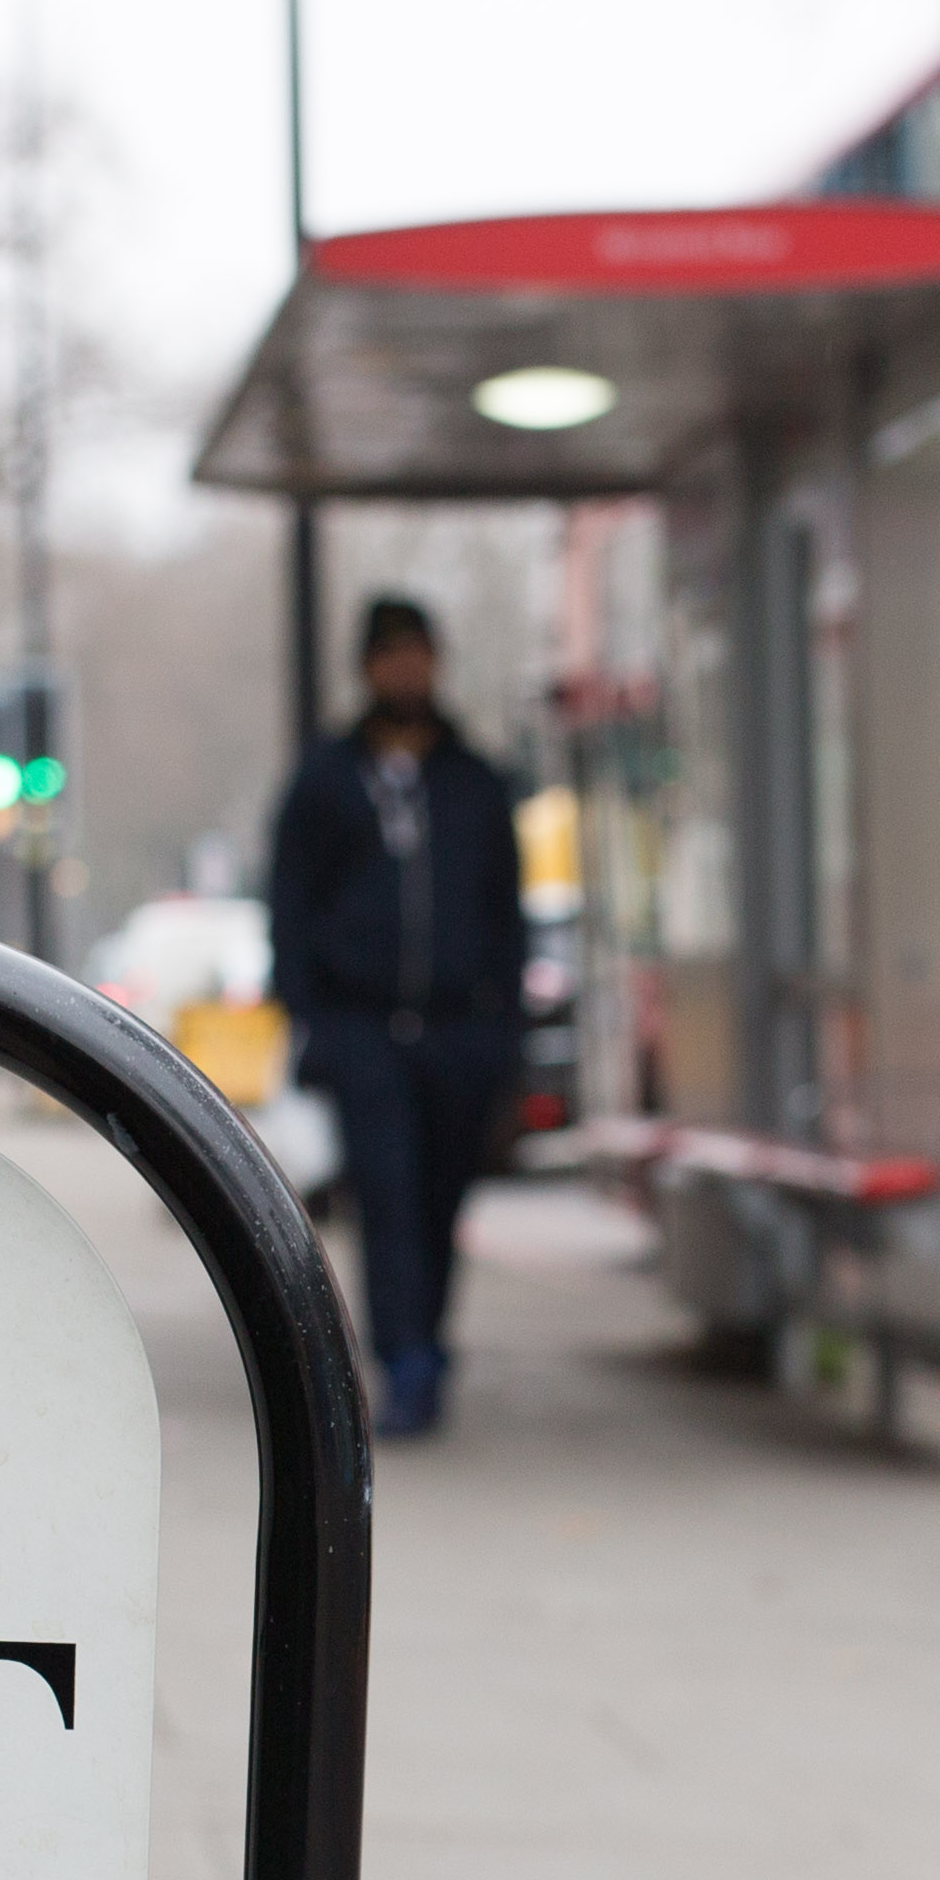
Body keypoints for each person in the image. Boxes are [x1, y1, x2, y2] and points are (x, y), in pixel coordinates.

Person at [264, 594, 526, 1439]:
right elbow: (292, 901)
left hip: (458, 1033)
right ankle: (402, 1359)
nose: (406, 669)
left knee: (441, 1200)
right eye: (390, 654)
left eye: (418, 652)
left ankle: (431, 1341)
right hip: (363, 1028)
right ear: (367, 666)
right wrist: (309, 1016)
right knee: (386, 1197)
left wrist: (503, 1033)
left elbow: (505, 914)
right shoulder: (327, 779)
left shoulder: (475, 781)